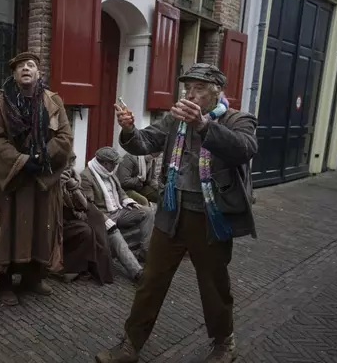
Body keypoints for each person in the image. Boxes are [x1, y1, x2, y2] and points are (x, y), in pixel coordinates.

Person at [95, 63, 257, 363]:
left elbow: (244, 149)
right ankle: (131, 344)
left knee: (213, 284)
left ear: (215, 91)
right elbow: (143, 143)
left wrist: (204, 126)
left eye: (197, 88)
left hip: (210, 219)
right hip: (171, 213)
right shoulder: (175, 120)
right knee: (151, 281)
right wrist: (129, 129)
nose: (189, 94)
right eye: (187, 88)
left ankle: (224, 343)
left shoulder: (238, 119)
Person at [0, 52, 73, 306]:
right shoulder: (1, 103)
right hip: (14, 179)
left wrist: (41, 158)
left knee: (42, 227)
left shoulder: (53, 101)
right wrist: (22, 161)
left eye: (30, 65)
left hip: (42, 178)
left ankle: (33, 277)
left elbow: (64, 137)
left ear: (39, 72)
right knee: (8, 228)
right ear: (14, 74)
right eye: (20, 66)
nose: (25, 69)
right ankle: (5, 282)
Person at [80, 147, 155, 281]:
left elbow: (120, 192)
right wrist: (107, 222)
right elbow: (90, 206)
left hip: (118, 210)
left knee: (148, 211)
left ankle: (145, 251)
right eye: (113, 163)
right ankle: (137, 272)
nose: (116, 166)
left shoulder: (110, 172)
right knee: (115, 234)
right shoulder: (86, 176)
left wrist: (128, 201)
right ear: (105, 163)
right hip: (103, 215)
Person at [58, 153, 114, 285]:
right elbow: (56, 205)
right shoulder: (55, 179)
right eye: (67, 165)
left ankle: (97, 266)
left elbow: (82, 203)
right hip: (57, 220)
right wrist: (60, 186)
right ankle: (70, 268)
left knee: (96, 220)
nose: (70, 168)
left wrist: (75, 187)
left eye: (71, 164)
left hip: (73, 215)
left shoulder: (74, 177)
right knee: (86, 229)